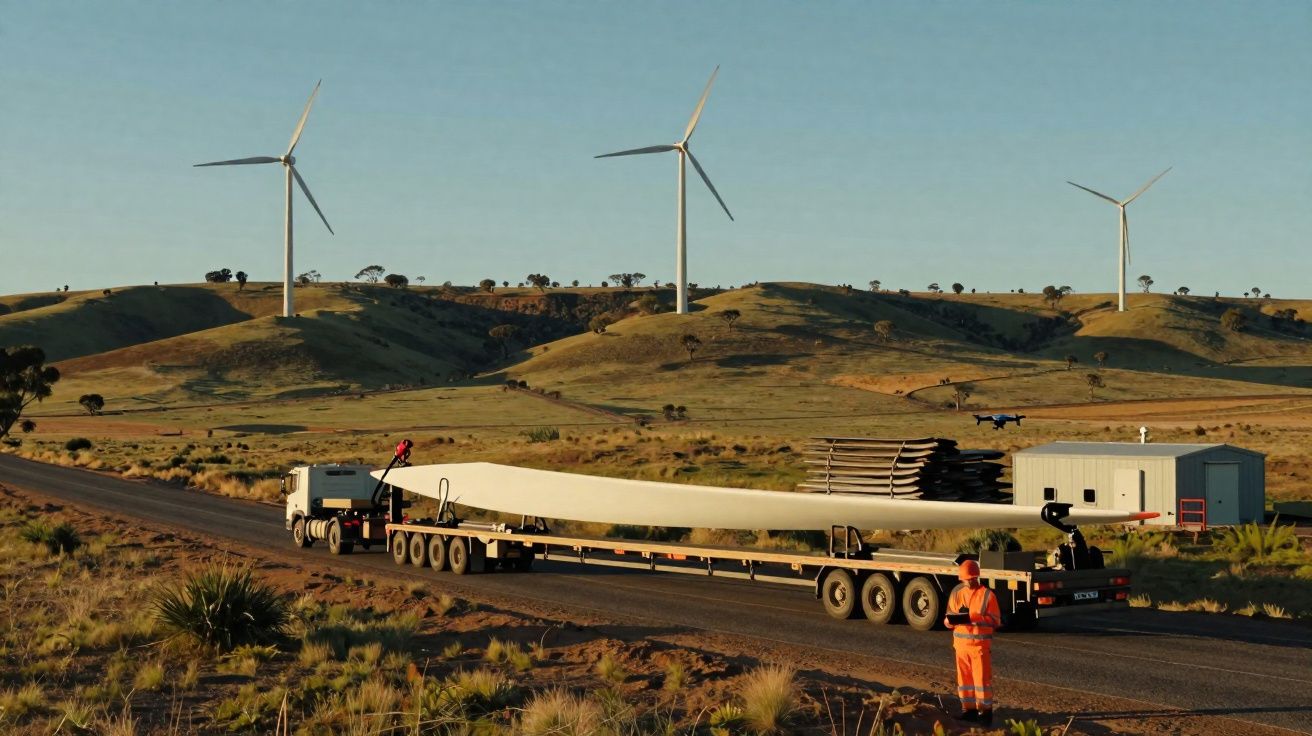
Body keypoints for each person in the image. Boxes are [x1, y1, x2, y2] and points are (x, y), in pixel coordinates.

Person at [944, 559, 1002, 725]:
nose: (969, 581)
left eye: (972, 578)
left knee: (981, 681)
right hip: (961, 647)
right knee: (964, 681)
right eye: (966, 579)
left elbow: (996, 621)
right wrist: (949, 621)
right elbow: (948, 618)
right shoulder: (956, 593)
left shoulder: (987, 595)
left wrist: (973, 617)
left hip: (979, 648)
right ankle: (968, 711)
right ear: (961, 579)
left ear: (977, 577)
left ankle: (985, 714)